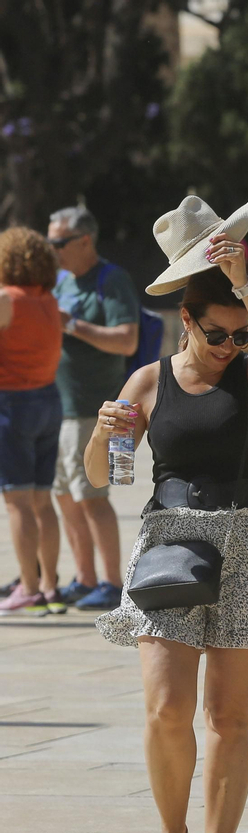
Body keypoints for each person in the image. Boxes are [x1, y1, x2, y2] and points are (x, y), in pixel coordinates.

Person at [90, 194, 248, 833]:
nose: (230, 346)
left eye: (240, 334)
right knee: (164, 709)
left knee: (230, 717)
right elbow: (101, 476)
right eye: (218, 333)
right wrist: (103, 431)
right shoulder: (150, 380)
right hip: (170, 543)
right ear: (185, 320)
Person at [48, 205, 136, 612]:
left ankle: (112, 582)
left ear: (85, 240)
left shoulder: (111, 279)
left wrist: (72, 325)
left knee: (94, 497)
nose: (53, 250)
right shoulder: (63, 281)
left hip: (95, 411)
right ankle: (84, 579)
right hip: (62, 410)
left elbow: (126, 340)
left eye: (59, 243)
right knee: (66, 497)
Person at [0, 228, 65, 614]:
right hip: (48, 399)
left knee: (17, 501)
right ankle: (50, 586)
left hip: (12, 403)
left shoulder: (6, 299)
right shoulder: (50, 302)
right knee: (42, 501)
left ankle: (27, 588)